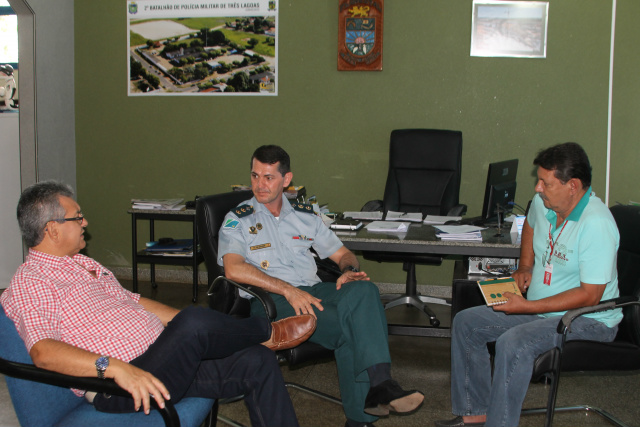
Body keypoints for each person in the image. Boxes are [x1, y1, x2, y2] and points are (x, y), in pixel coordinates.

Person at [0, 181, 319, 427]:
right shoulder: (31, 283)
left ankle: (260, 340)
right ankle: (267, 331)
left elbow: (135, 302)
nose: (84, 222)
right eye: (77, 217)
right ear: (52, 229)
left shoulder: (83, 265)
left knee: (257, 360)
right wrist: (116, 368)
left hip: (164, 361)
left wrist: (195, 330)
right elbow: (42, 352)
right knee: (195, 322)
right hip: (124, 385)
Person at [218, 145, 425, 427]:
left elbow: (343, 254)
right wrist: (288, 289)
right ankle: (367, 407)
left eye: (268, 177)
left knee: (365, 289)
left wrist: (349, 271)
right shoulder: (238, 219)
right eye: (255, 176)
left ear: (286, 179)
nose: (259, 185)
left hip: (314, 291)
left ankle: (379, 387)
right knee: (351, 328)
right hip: (271, 301)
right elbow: (233, 268)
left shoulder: (306, 215)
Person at [436, 142, 622, 427]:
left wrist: (528, 306)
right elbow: (531, 225)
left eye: (545, 183)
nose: (537, 188)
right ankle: (477, 411)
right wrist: (525, 265)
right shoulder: (543, 204)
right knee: (467, 322)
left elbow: (590, 296)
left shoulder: (596, 224)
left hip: (588, 319)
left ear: (572, 185)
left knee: (514, 342)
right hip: (542, 310)